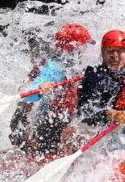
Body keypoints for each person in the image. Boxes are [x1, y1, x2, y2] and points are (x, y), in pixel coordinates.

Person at [9, 23, 93, 156]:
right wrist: (41, 88)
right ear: (73, 47)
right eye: (84, 45)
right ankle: (38, 154)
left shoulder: (71, 64)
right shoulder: (54, 68)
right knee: (64, 129)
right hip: (38, 125)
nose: (86, 48)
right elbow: (27, 96)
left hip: (45, 121)